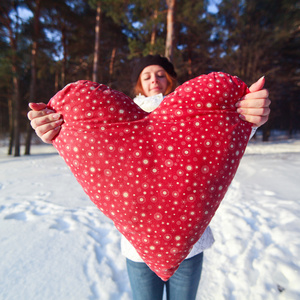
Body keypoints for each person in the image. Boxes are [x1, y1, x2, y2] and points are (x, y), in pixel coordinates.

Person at [28, 55, 271, 300]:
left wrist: (249, 119)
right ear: (138, 83)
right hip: (136, 249)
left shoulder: (199, 111)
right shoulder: (107, 118)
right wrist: (56, 127)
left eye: (160, 74)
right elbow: (87, 152)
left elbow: (224, 142)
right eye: (146, 75)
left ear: (170, 79)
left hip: (192, 246)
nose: (154, 79)